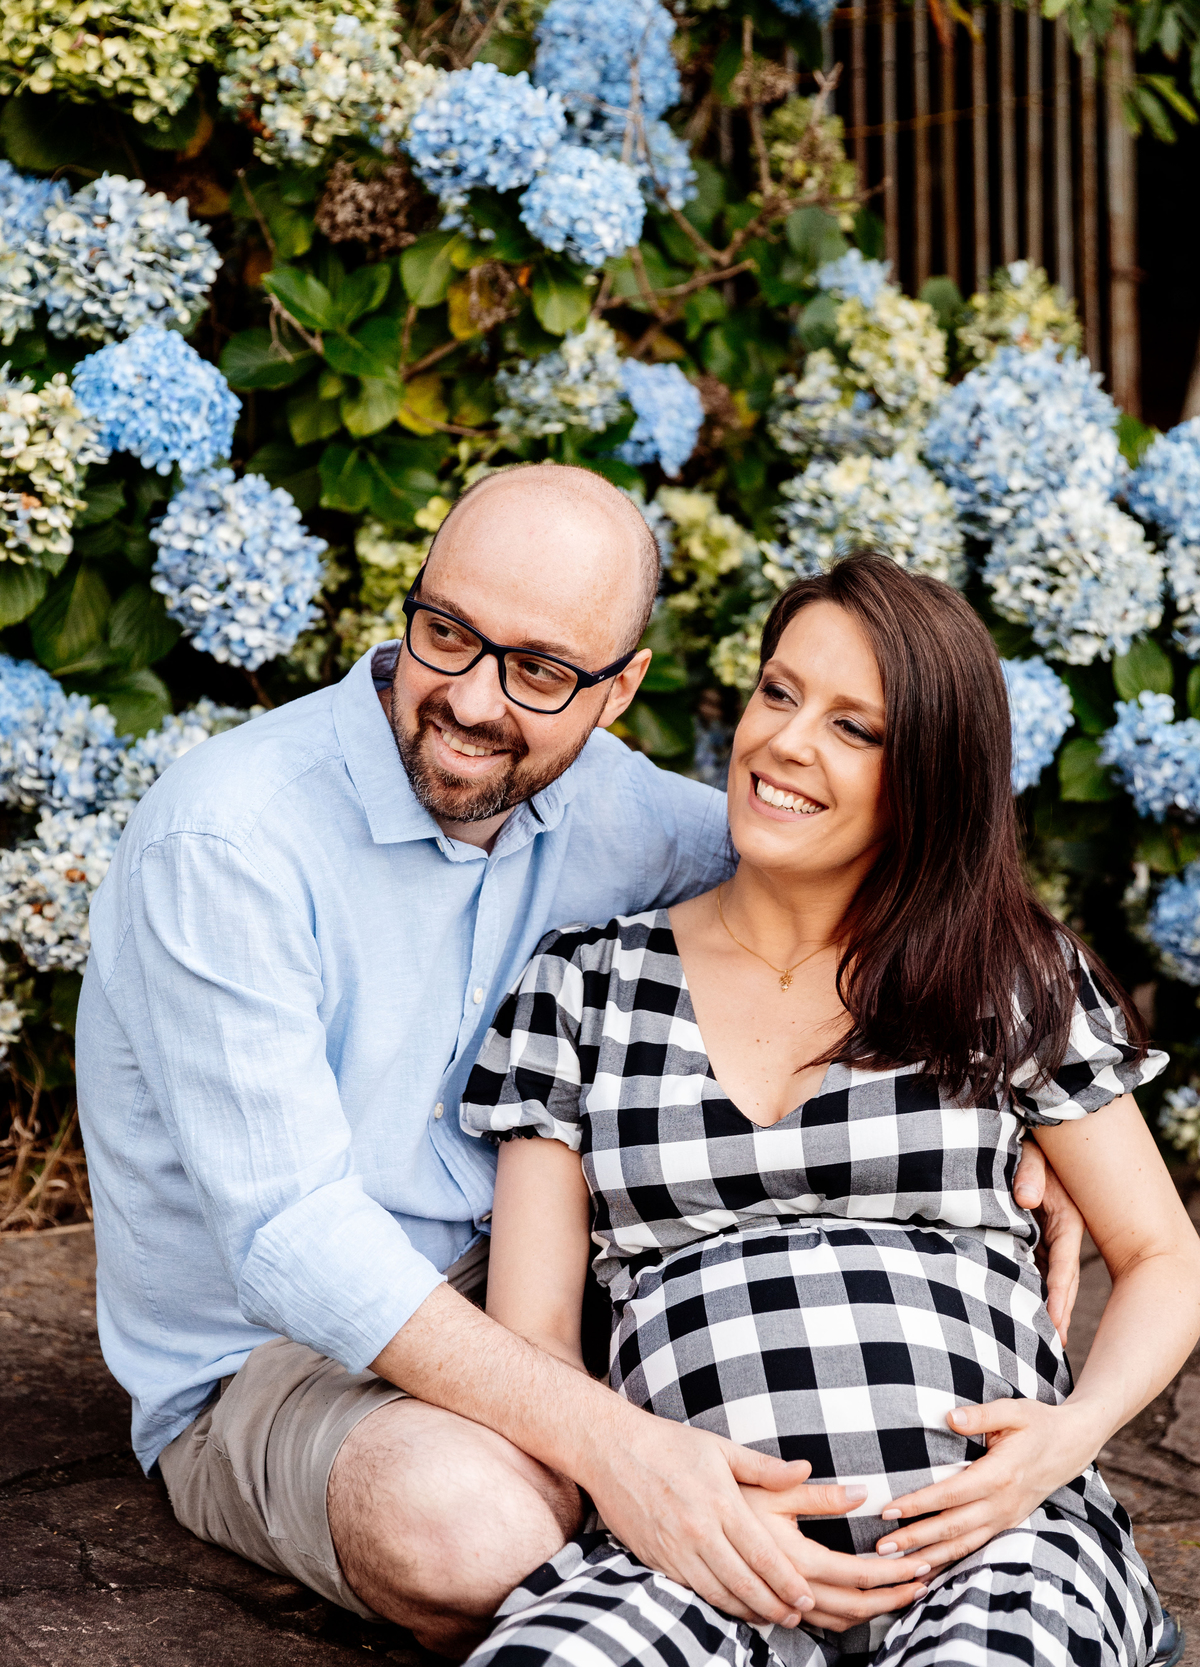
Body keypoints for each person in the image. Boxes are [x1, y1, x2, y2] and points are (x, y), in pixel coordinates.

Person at [76, 469, 1084, 1654]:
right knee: (473, 1530)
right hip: (282, 1360)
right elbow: (295, 1242)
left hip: (550, 1297)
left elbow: (875, 864)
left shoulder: (619, 813)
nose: (464, 698)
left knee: (814, 1407)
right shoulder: (228, 838)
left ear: (618, 692)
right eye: (444, 631)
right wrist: (618, 1448)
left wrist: (1043, 1095)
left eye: (540, 670)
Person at [460, 553, 1200, 1667]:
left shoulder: (1006, 976)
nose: (788, 744)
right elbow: (534, 1342)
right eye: (779, 692)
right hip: (701, 1556)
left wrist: (1065, 1443)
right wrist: (662, 1497)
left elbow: (1163, 1254)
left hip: (992, 1539)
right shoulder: (585, 985)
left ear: (931, 780)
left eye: (858, 729)